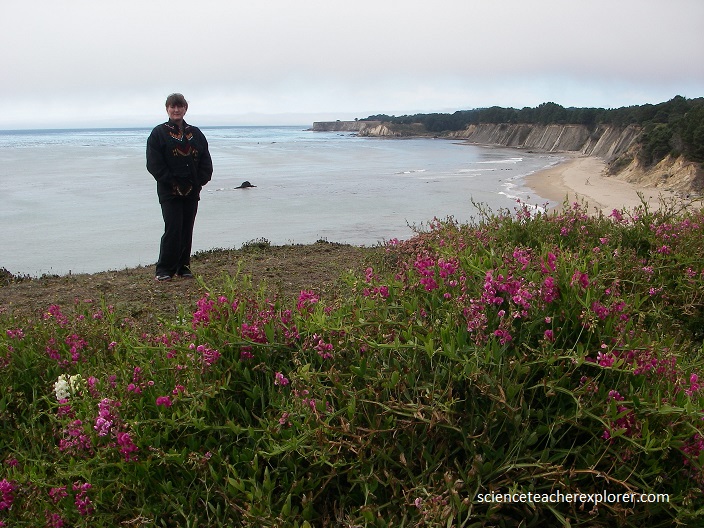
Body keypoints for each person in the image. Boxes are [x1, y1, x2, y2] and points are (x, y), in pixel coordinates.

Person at [146, 93, 213, 282]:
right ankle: (164, 269)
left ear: (185, 109)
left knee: (187, 228)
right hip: (169, 192)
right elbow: (154, 164)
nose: (176, 110)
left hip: (192, 191)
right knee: (173, 228)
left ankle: (183, 267)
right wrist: (172, 182)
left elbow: (205, 160)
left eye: (179, 106)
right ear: (167, 109)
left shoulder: (195, 133)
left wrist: (199, 181)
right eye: (172, 107)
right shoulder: (158, 133)